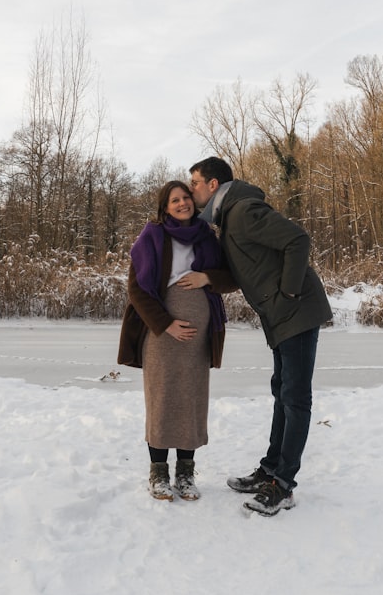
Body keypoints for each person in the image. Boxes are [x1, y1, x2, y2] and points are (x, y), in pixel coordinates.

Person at [188, 157, 332, 516]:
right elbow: (246, 271)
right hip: (282, 316)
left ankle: (283, 485)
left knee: (295, 397)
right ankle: (270, 469)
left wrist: (288, 293)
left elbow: (298, 240)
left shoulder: (243, 211)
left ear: (213, 184)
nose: (191, 189)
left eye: (195, 182)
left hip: (295, 312)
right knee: (282, 391)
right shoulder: (229, 219)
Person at [118, 180, 237, 501]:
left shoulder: (207, 236)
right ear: (164, 206)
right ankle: (158, 474)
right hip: (161, 333)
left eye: (186, 197)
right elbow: (137, 290)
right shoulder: (152, 237)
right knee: (162, 398)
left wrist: (207, 277)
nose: (182, 203)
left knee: (192, 398)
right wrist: (166, 324)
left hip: (199, 336)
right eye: (175, 200)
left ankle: (185, 473)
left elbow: (232, 277)